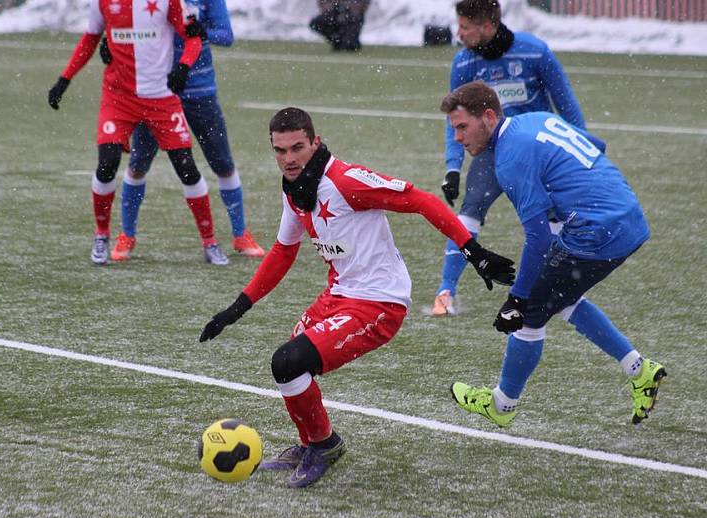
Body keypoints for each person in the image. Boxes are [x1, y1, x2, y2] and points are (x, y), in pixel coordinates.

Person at [199, 107, 515, 488]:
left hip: (380, 301)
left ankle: (324, 446)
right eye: (280, 151)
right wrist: (237, 308)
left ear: (314, 142)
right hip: (339, 293)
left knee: (289, 362)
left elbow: (422, 200)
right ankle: (314, 442)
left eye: (297, 147)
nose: (289, 158)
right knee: (289, 364)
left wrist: (474, 251)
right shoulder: (295, 189)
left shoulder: (346, 181)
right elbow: (283, 251)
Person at [443, 81, 666, 428]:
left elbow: (538, 239)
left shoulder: (510, 158)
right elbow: (596, 145)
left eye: (462, 127)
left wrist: (516, 299)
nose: (457, 137)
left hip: (596, 231)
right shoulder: (535, 119)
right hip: (629, 218)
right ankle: (639, 369)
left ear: (488, 116)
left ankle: (502, 406)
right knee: (561, 297)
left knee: (532, 310)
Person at [432, 0, 586, 316]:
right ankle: (445, 292)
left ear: (487, 26)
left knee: (555, 222)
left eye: (465, 27)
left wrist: (580, 146)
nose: (459, 34)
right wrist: (452, 167)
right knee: (468, 215)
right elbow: (455, 121)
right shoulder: (464, 62)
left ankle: (555, 289)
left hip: (540, 154)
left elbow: (566, 105)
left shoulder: (535, 51)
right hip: (492, 155)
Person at [47, 0, 230, 266]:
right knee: (107, 163)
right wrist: (64, 79)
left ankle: (210, 241)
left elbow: (194, 37)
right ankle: (101, 236)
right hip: (118, 98)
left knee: (186, 168)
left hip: (162, 99)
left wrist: (183, 67)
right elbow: (90, 38)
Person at [98, 0, 265, 263]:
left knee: (222, 164)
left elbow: (226, 35)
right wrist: (109, 42)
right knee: (138, 164)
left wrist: (200, 32)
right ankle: (127, 235)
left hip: (199, 90)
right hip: (156, 92)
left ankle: (240, 233)